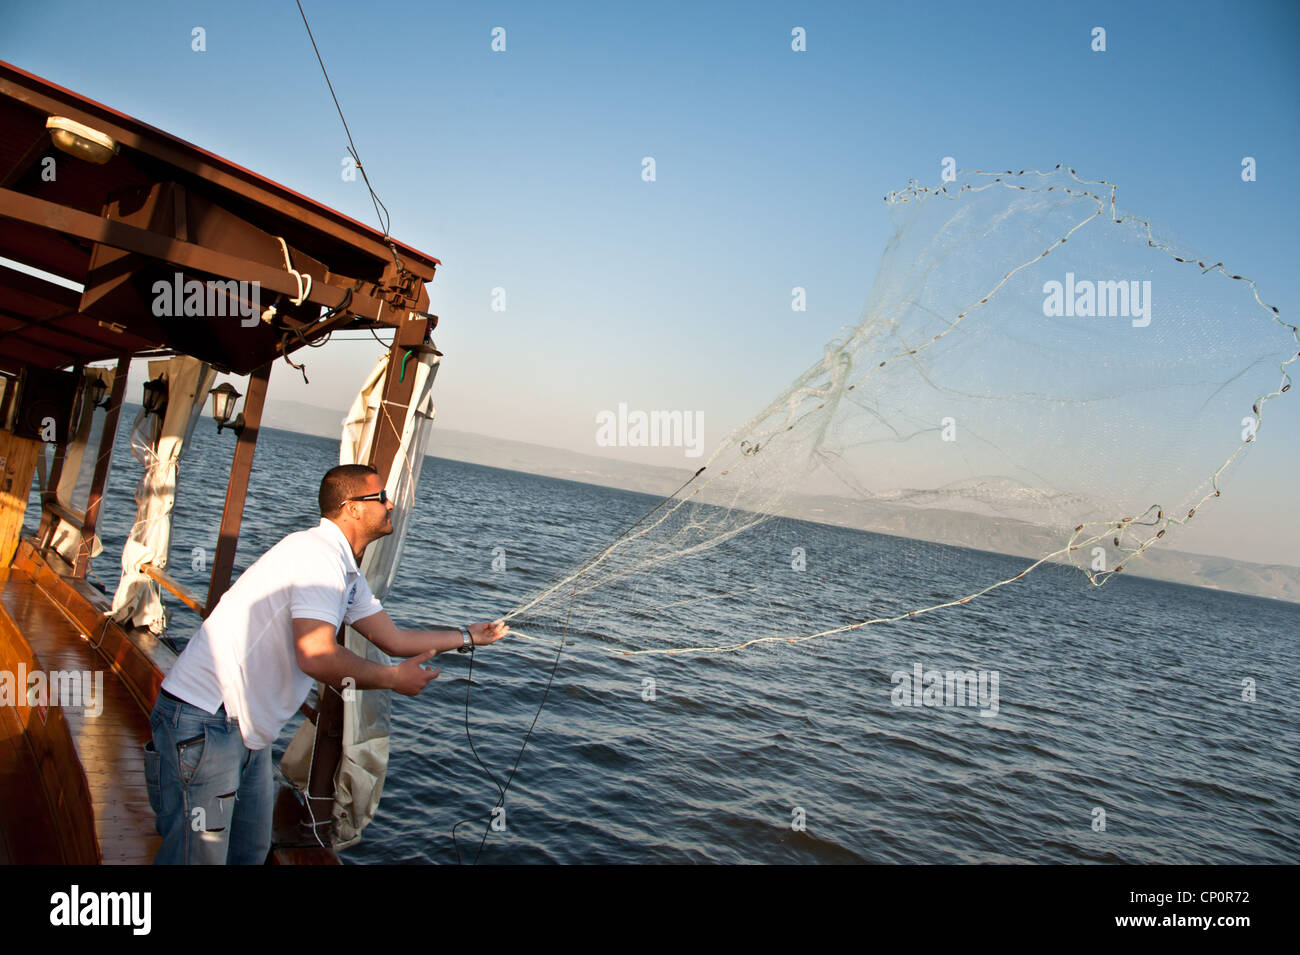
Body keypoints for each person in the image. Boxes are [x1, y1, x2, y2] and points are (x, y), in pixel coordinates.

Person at [143, 463, 509, 864]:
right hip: (207, 721)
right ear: (352, 507)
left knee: (248, 854)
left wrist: (470, 636)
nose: (391, 505)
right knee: (198, 858)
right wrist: (391, 679)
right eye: (381, 498)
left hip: (242, 730)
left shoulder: (343, 568)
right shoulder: (318, 559)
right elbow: (316, 655)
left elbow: (394, 639)